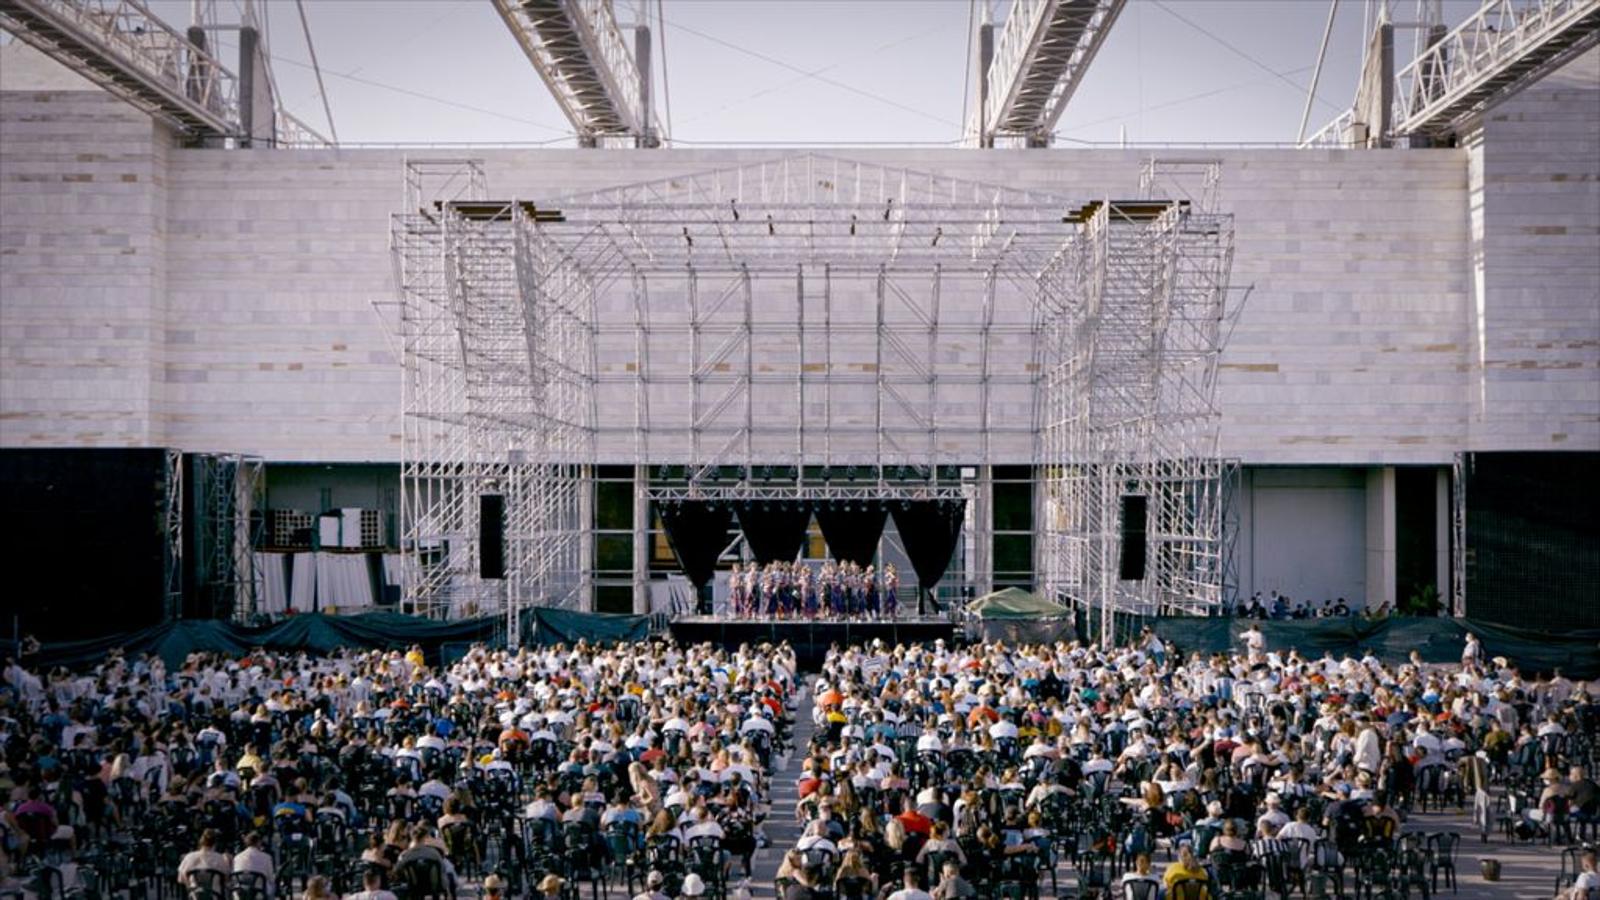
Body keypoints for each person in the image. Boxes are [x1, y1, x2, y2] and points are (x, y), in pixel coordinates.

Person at [233, 832, 276, 896]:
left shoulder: (237, 857)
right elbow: (271, 878)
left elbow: (234, 877)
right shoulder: (266, 857)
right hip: (259, 891)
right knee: (272, 887)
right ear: (258, 842)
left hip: (241, 893)